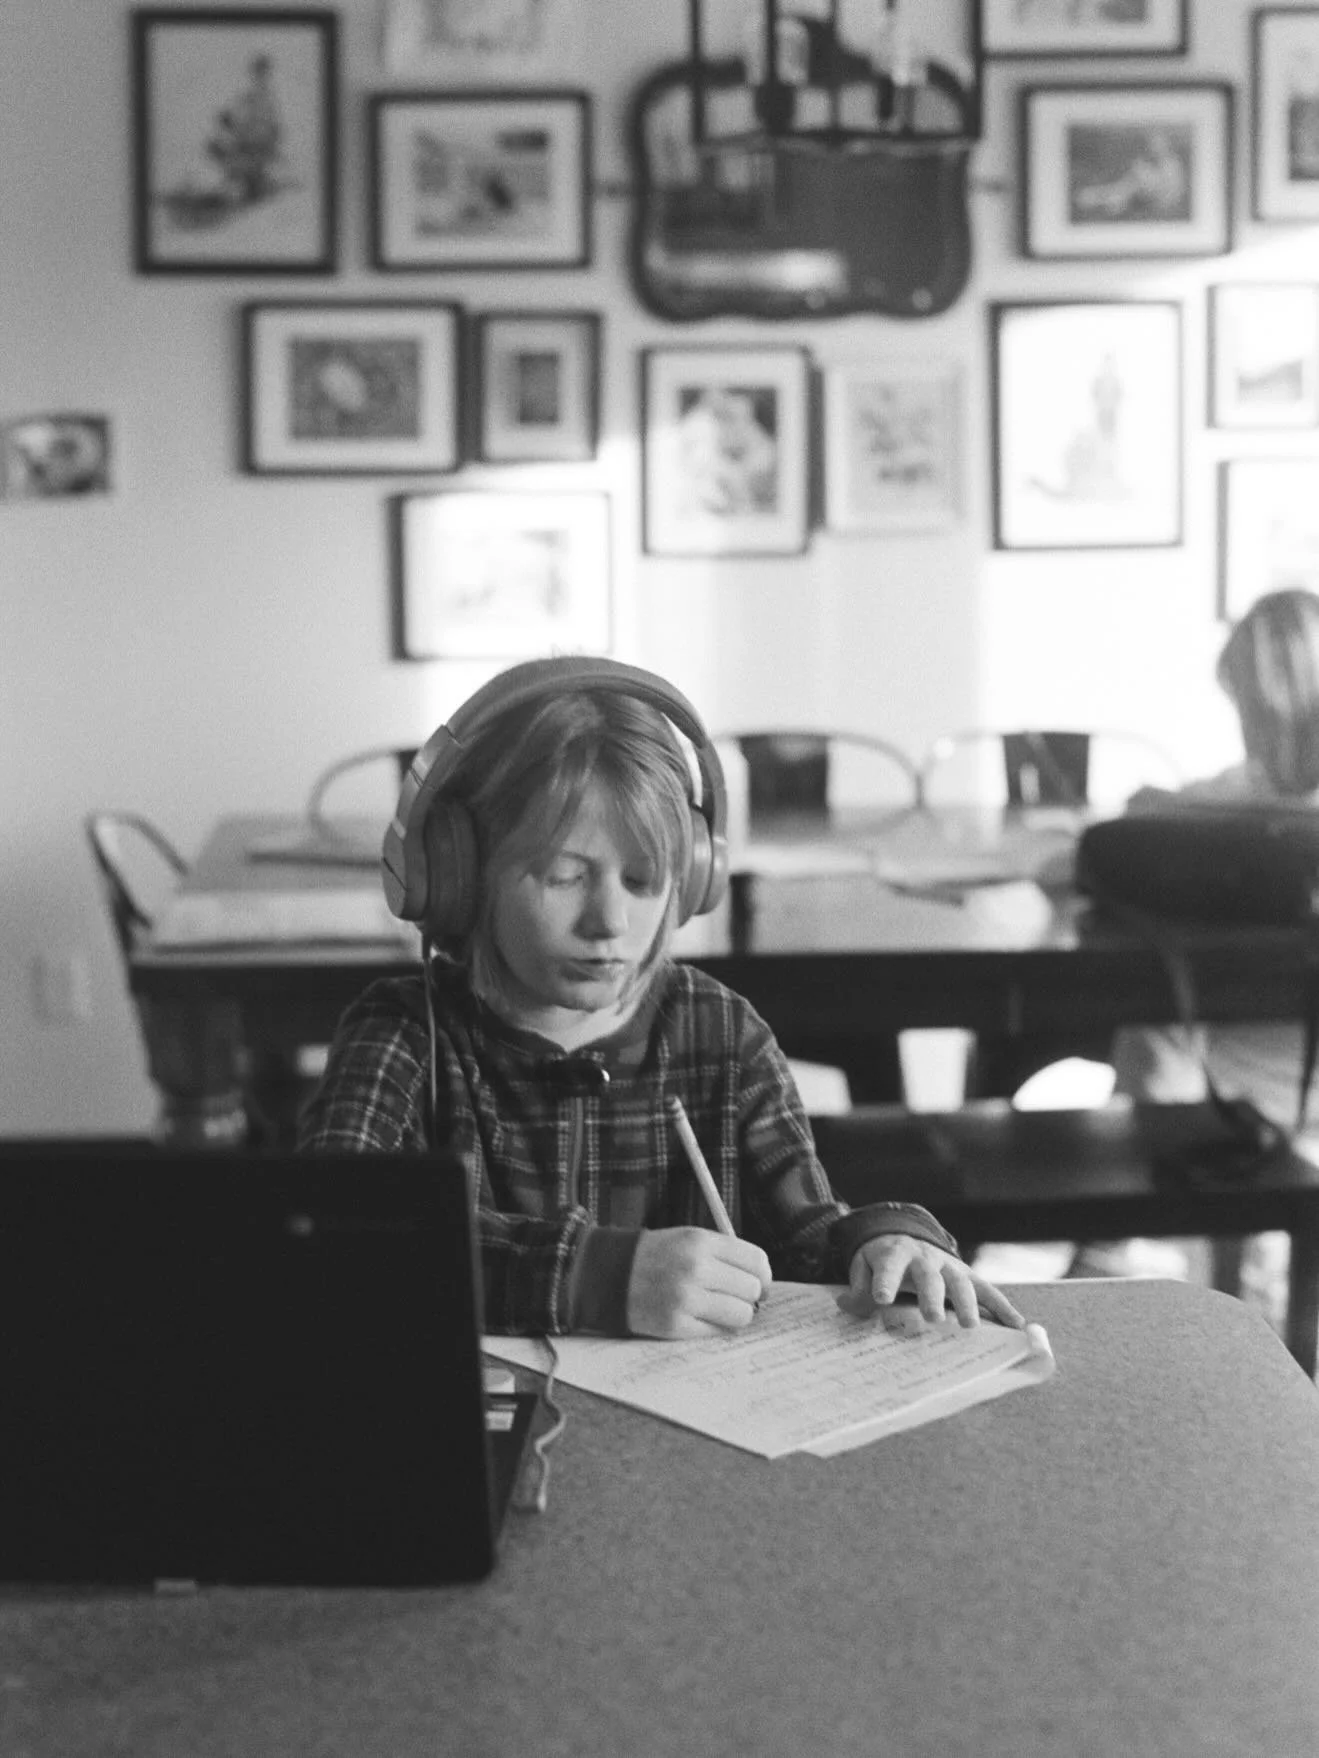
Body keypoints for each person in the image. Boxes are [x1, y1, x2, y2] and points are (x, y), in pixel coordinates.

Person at [298, 656, 1024, 1340]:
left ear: (691, 882)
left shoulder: (720, 1033)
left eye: (643, 882)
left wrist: (886, 1241)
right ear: (459, 876)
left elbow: (806, 1242)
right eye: (562, 876)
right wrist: (595, 1275)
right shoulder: (404, 1032)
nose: (608, 922)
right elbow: (334, 1236)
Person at [1104, 589, 1319, 1309]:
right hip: (1273, 1066)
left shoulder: (1242, 808)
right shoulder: (1242, 796)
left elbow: (1145, 820)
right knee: (1158, 1015)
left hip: (1265, 1084)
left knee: (1154, 1008)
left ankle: (1116, 1232)